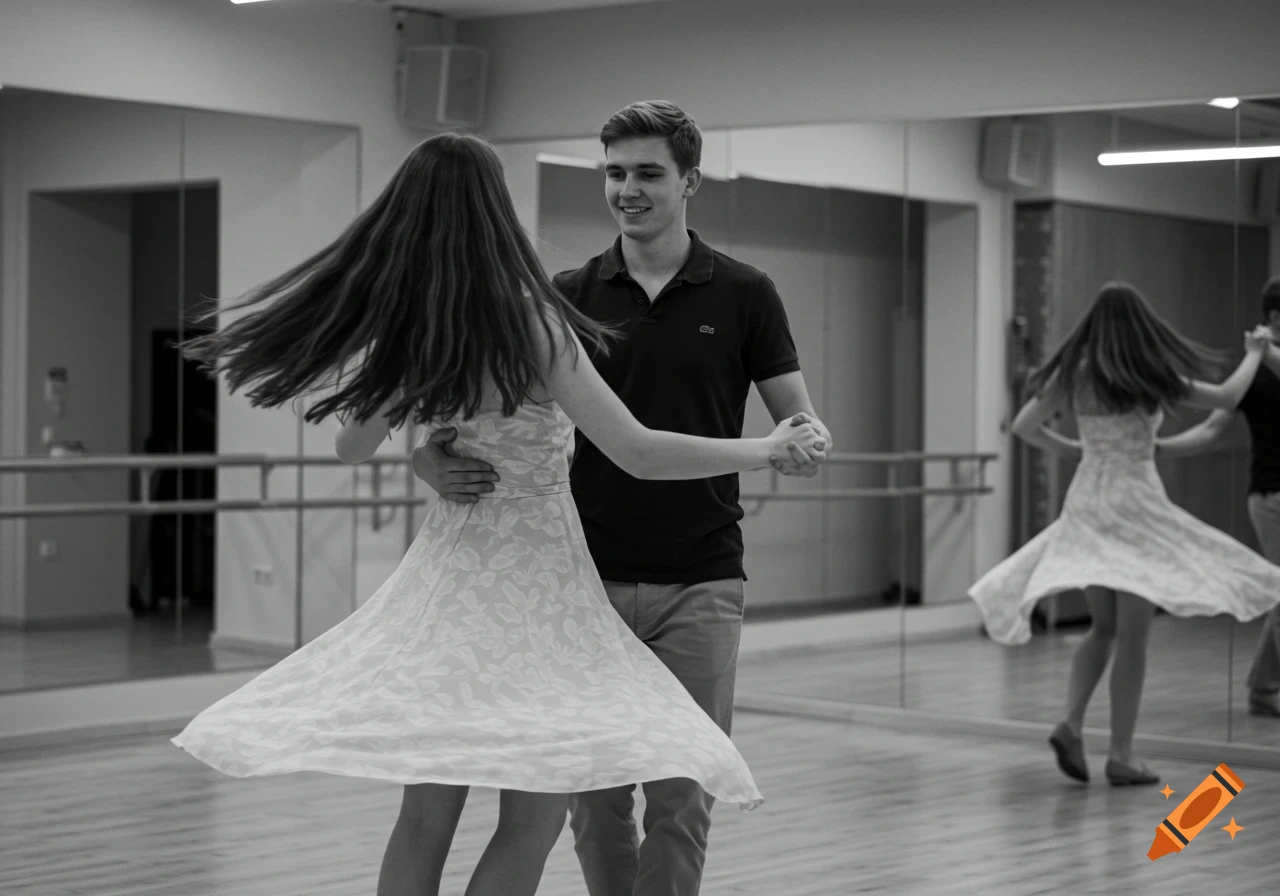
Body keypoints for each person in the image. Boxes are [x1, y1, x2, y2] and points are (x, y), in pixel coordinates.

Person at [170, 131, 831, 896]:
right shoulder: (535, 322)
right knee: (533, 821)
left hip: (449, 585)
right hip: (538, 591)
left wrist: (421, 448)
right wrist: (765, 450)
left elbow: (352, 446)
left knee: (423, 819)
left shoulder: (422, 328)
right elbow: (639, 453)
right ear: (495, 213)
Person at [412, 100, 831, 896]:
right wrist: (425, 463)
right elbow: (458, 420)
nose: (627, 190)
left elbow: (798, 420)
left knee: (682, 790)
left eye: (647, 173)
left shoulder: (746, 293)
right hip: (580, 582)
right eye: (614, 173)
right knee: (594, 801)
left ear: (689, 181)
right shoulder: (564, 295)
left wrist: (804, 443)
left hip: (702, 574)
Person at [967, 281, 1280, 788]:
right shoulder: (1145, 375)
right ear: (1140, 327)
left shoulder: (1078, 375)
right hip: (1134, 504)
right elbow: (1225, 396)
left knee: (1104, 627)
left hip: (1090, 499)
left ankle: (1071, 724)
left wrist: (1070, 447)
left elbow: (1024, 426)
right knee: (1132, 637)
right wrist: (1254, 353)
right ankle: (1121, 754)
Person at [1156, 275, 1280, 719]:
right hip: (1272, 498)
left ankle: (1264, 687)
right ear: (1275, 317)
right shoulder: (1251, 373)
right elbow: (1211, 429)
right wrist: (1155, 448)